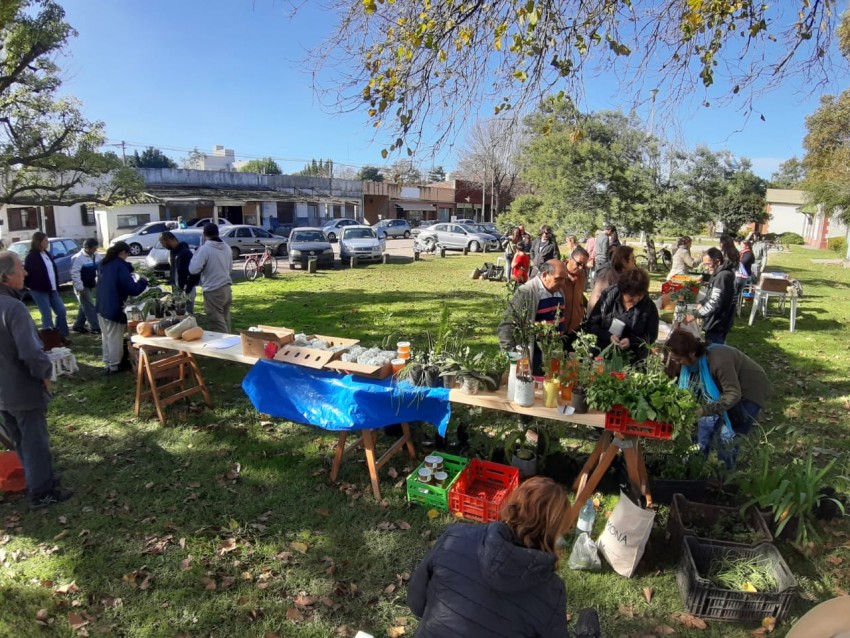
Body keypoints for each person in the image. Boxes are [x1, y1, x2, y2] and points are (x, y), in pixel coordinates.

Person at [407, 476, 570, 638]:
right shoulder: (552, 591)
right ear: (555, 531)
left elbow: (416, 604)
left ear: (513, 505)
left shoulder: (455, 536)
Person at [0, 251, 73, 508]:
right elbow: (31, 352)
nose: (26, 272)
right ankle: (42, 492)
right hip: (21, 387)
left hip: (3, 392)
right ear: (7, 277)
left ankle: (37, 479)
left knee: (20, 439)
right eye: (21, 268)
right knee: (34, 440)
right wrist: (44, 375)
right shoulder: (14, 308)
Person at [667, 328, 770, 468]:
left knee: (728, 438)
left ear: (691, 353)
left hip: (750, 390)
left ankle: (724, 476)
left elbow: (733, 394)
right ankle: (697, 467)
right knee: (705, 427)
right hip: (723, 391)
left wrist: (704, 410)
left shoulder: (718, 360)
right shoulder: (691, 364)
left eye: (678, 359)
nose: (677, 363)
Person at [497, 260, 567, 375]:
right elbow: (506, 325)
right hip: (533, 357)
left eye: (565, 279)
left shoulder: (559, 291)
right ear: (544, 275)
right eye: (558, 279)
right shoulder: (526, 292)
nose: (562, 283)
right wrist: (512, 357)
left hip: (552, 355)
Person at [587, 267, 658, 363]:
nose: (636, 301)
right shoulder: (608, 297)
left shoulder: (649, 307)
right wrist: (608, 336)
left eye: (640, 296)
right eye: (631, 297)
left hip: (633, 359)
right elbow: (592, 324)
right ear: (622, 292)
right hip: (602, 353)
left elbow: (651, 335)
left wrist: (631, 341)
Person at [96, 242, 148, 374]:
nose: (127, 257)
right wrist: (143, 281)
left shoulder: (104, 263)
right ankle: (114, 365)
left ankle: (107, 362)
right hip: (114, 306)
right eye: (127, 254)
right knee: (115, 337)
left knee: (106, 336)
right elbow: (132, 289)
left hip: (101, 305)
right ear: (122, 253)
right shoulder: (120, 266)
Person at [684, 247, 736, 345]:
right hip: (716, 320)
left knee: (714, 349)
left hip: (718, 322)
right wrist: (702, 303)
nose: (707, 268)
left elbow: (714, 302)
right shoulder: (718, 273)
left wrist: (695, 315)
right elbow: (711, 295)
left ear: (717, 261)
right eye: (705, 264)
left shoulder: (722, 276)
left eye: (708, 264)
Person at [188, 223, 233, 333]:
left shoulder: (205, 249)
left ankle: (222, 347)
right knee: (225, 319)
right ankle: (231, 343)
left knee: (216, 321)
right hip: (226, 288)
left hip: (213, 289)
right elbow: (230, 268)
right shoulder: (227, 247)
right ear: (218, 233)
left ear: (204, 235)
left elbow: (193, 269)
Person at [23, 232, 69, 337]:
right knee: (47, 314)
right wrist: (31, 286)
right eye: (45, 241)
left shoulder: (46, 253)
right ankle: (49, 339)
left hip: (52, 289)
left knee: (61, 311)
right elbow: (27, 273)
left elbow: (51, 270)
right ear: (38, 242)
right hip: (39, 290)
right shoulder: (32, 256)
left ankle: (61, 335)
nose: (47, 243)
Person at [587, 245, 635, 316]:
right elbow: (597, 297)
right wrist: (594, 321)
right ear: (624, 261)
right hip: (603, 318)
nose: (635, 261)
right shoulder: (607, 274)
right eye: (632, 258)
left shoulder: (624, 273)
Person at [70, 238, 101, 334]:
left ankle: (78, 326)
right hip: (82, 286)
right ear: (87, 248)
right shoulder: (78, 258)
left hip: (90, 283)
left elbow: (101, 265)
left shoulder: (95, 255)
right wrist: (80, 288)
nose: (96, 250)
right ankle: (95, 328)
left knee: (84, 305)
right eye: (94, 248)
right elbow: (75, 274)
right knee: (89, 306)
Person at [160, 231, 196, 314]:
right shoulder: (173, 251)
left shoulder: (185, 253)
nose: (163, 246)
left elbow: (192, 272)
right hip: (177, 287)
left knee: (187, 312)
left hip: (186, 287)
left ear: (169, 240)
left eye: (163, 243)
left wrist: (187, 288)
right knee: (178, 311)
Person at [559, 247, 590, 339]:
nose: (581, 268)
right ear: (569, 259)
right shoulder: (557, 274)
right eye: (579, 264)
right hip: (558, 328)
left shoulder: (582, 275)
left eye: (584, 266)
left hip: (575, 327)